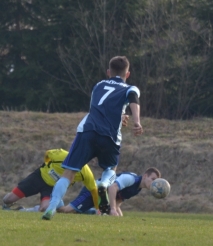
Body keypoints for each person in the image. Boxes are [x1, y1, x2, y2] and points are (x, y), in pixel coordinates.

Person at [42, 56, 143, 220]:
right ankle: (104, 184)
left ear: (108, 72)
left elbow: (103, 107)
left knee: (69, 173)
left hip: (87, 131)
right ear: (128, 73)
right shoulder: (130, 88)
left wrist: (121, 116)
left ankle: (52, 207)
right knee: (110, 169)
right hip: (109, 136)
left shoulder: (98, 85)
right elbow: (133, 100)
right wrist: (136, 121)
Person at [2, 149, 100, 214]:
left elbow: (94, 191)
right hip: (37, 178)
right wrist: (46, 164)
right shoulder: (61, 155)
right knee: (8, 199)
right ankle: (7, 205)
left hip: (51, 190)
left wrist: (98, 209)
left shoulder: (86, 173)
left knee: (45, 208)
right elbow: (48, 153)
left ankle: (22, 211)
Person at [57, 167, 161, 216]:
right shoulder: (131, 179)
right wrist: (112, 209)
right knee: (68, 211)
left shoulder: (137, 189)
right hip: (94, 190)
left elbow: (119, 199)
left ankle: (95, 212)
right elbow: (112, 188)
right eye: (153, 179)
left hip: (103, 198)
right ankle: (50, 206)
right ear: (145, 176)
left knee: (117, 217)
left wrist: (117, 212)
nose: (154, 183)